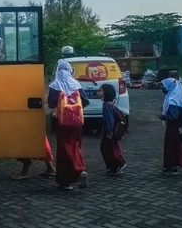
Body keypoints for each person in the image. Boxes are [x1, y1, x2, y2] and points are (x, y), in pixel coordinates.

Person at [48, 60, 90, 190]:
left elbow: (50, 104)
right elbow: (85, 101)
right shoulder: (75, 84)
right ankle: (80, 170)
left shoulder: (55, 85)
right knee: (76, 146)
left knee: (64, 150)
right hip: (77, 123)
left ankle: (67, 179)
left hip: (63, 123)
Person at [98, 84, 127, 176]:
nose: (98, 93)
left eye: (100, 91)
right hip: (109, 131)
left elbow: (110, 119)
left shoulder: (107, 105)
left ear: (106, 93)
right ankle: (113, 166)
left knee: (109, 149)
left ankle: (119, 164)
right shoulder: (109, 104)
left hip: (109, 131)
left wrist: (109, 132)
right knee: (109, 148)